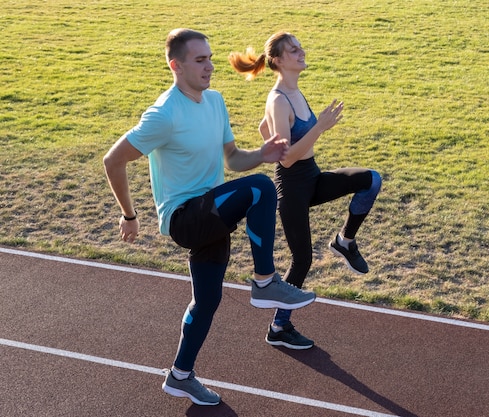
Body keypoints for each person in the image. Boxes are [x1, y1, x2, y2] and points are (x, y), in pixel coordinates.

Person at [103, 28, 316, 406]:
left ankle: (180, 375)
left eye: (211, 58)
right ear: (176, 66)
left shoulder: (215, 102)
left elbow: (232, 160)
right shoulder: (163, 114)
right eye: (200, 60)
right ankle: (265, 282)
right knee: (263, 189)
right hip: (185, 217)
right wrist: (129, 215)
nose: (210, 66)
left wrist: (262, 154)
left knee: (207, 301)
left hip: (213, 212)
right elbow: (113, 159)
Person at [229, 32, 382, 350]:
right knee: (302, 260)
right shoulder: (278, 98)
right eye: (294, 50)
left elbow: (264, 128)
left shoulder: (292, 92)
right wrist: (319, 127)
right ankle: (279, 327)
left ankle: (345, 242)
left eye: (300, 47)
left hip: (312, 178)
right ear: (279, 60)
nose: (301, 52)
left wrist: (276, 130)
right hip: (292, 188)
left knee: (371, 180)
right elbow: (286, 160)